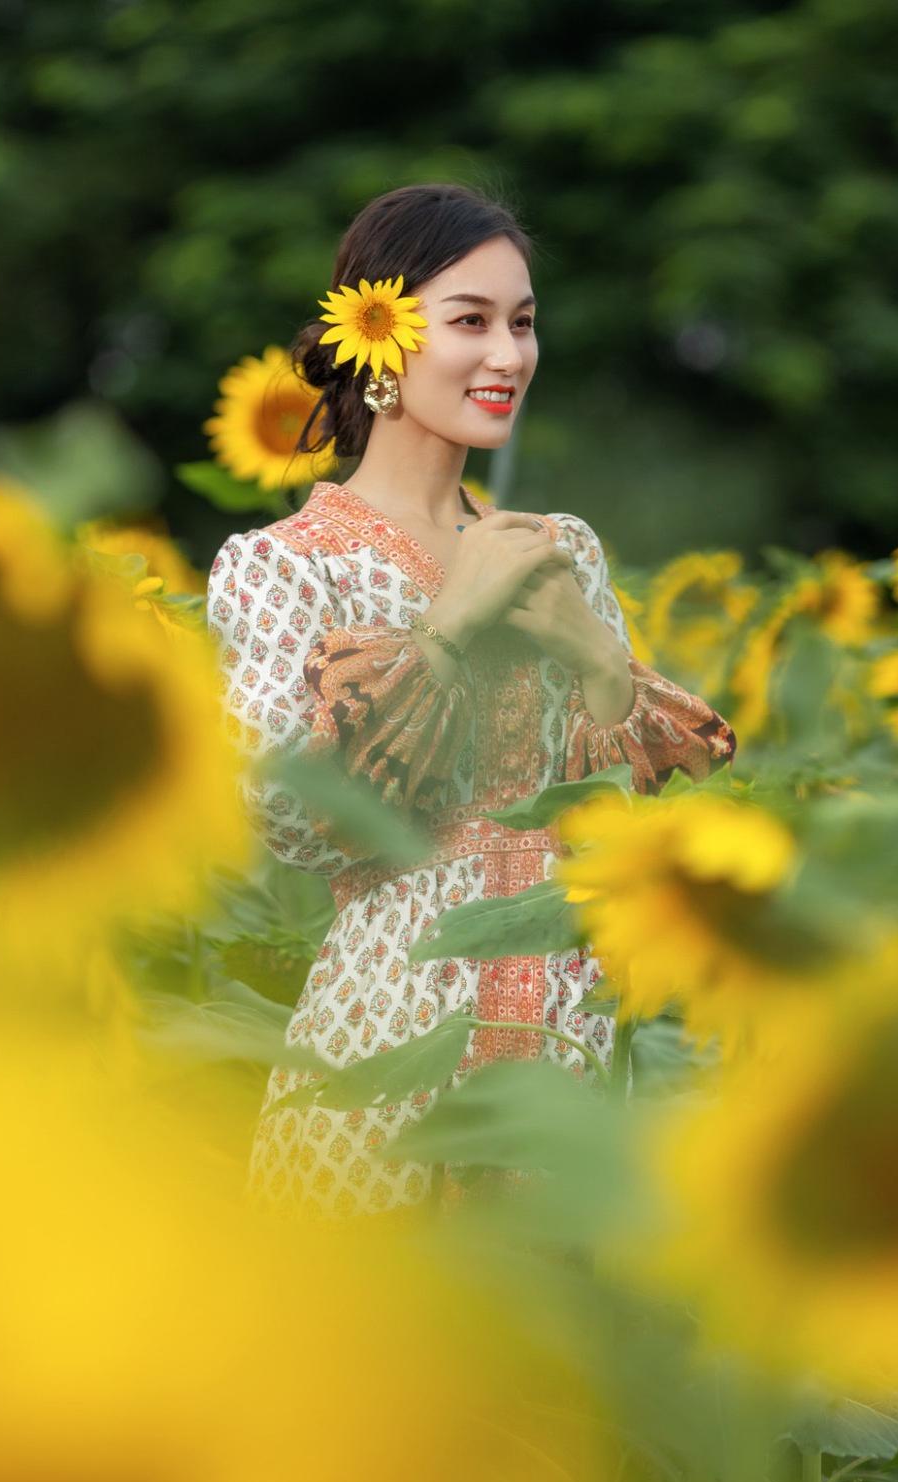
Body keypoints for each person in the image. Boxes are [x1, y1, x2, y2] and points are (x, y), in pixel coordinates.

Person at [205, 182, 736, 1216]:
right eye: (471, 322)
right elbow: (291, 823)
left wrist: (584, 643)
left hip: (569, 1024)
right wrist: (449, 627)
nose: (509, 355)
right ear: (381, 337)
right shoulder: (283, 568)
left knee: (555, 1350)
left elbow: (659, 808)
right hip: (388, 1028)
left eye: (524, 324)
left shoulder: (558, 551)